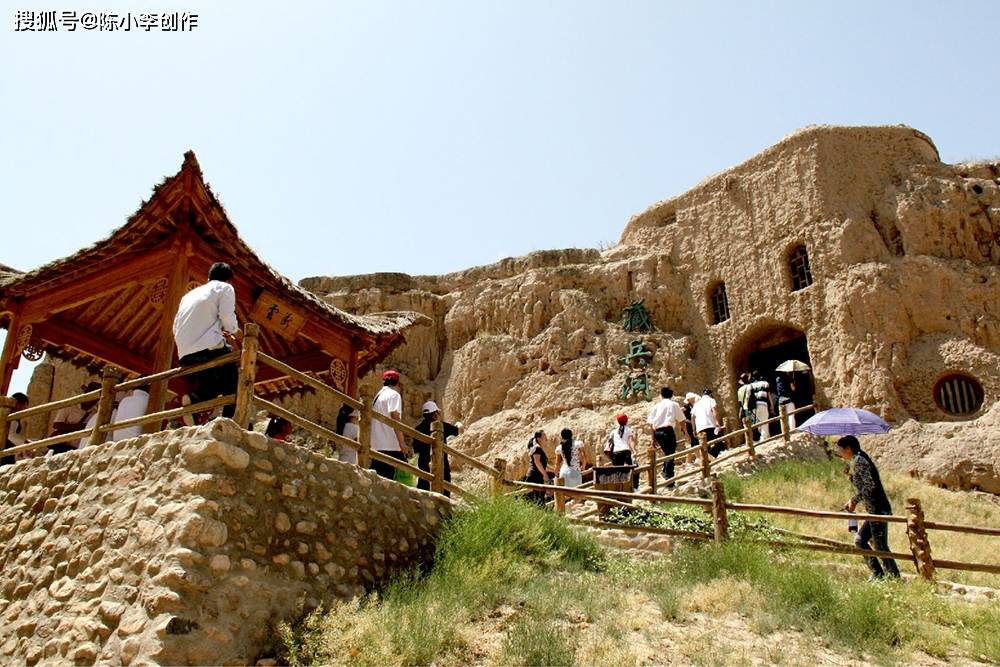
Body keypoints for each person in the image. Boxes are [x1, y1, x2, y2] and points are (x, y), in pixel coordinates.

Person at [172, 262, 241, 420]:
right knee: (232, 373)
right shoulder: (225, 288)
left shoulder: (188, 295)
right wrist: (233, 330)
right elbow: (227, 318)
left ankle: (196, 398)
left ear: (209, 277)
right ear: (229, 280)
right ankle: (228, 420)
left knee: (217, 376)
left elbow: (175, 325)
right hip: (206, 347)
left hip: (185, 353)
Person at [837, 435, 900, 579]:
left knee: (874, 544)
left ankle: (887, 576)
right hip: (874, 509)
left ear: (848, 449)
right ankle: (883, 575)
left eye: (841, 450)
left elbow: (870, 487)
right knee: (871, 543)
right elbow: (864, 483)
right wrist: (851, 475)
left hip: (878, 508)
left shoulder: (860, 462)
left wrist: (854, 500)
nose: (839, 453)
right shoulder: (856, 460)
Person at [370, 369, 411, 479]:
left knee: (377, 478)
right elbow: (395, 418)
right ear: (398, 383)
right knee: (395, 478)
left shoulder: (378, 396)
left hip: (376, 444)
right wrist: (402, 443)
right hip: (390, 444)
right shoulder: (394, 395)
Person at [414, 400, 457, 497]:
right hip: (442, 467)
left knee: (423, 495)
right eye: (438, 413)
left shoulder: (417, 429)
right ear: (434, 414)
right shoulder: (442, 426)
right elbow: (457, 431)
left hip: (424, 469)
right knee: (444, 495)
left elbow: (415, 450)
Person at [646, 387, 686, 486]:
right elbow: (681, 420)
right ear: (671, 395)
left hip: (658, 432)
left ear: (661, 395)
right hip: (667, 431)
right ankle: (669, 478)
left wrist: (653, 438)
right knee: (670, 453)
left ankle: (665, 472)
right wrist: (686, 433)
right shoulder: (673, 404)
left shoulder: (656, 406)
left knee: (667, 452)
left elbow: (651, 423)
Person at [49, 381, 101, 452]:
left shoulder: (95, 414)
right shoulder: (70, 406)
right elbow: (56, 425)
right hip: (61, 446)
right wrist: (80, 427)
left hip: (77, 449)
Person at [608, 413, 638, 490]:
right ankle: (634, 487)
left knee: (617, 471)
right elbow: (631, 441)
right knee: (633, 468)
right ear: (626, 421)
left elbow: (610, 443)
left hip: (616, 453)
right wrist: (634, 451)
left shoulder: (613, 432)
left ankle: (618, 489)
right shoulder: (629, 430)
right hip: (625, 451)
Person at [524, 430, 553, 505]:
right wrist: (545, 475)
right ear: (539, 438)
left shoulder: (538, 448)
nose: (546, 438)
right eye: (544, 436)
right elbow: (537, 462)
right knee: (536, 498)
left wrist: (554, 470)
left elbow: (543, 465)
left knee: (539, 498)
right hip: (534, 475)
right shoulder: (537, 448)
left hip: (537, 476)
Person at [2, 392, 29, 465]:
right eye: (25, 405)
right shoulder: (13, 417)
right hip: (6, 451)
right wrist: (24, 443)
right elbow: (11, 435)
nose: (25, 408)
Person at [749, 371, 773, 438]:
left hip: (755, 406)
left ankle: (763, 436)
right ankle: (764, 437)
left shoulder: (751, 385)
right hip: (763, 404)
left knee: (758, 422)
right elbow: (769, 396)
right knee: (765, 421)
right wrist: (772, 406)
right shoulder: (765, 383)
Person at [682, 392, 700, 464]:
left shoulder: (694, 406)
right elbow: (683, 418)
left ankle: (688, 462)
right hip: (688, 427)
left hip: (694, 426)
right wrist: (689, 421)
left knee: (692, 444)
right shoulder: (685, 408)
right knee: (693, 442)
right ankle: (698, 457)